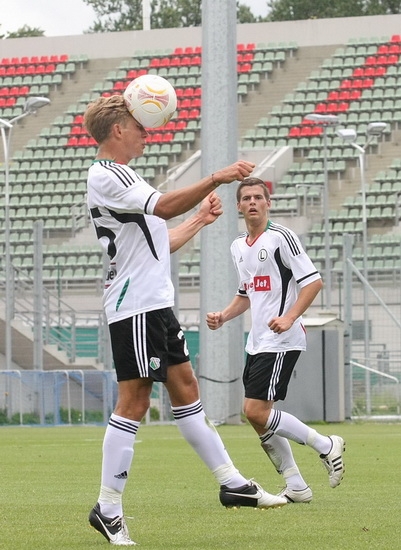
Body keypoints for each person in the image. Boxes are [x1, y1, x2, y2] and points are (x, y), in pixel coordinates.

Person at [83, 97, 287, 546]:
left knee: (187, 389)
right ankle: (108, 507)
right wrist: (216, 176)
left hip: (153, 302)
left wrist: (199, 220)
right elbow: (163, 208)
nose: (147, 132)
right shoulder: (107, 173)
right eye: (139, 126)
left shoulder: (124, 175)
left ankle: (232, 483)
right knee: (134, 402)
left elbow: (157, 241)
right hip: (135, 305)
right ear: (117, 129)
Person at [206, 177, 345, 505]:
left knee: (255, 410)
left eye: (258, 197)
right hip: (257, 341)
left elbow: (313, 282)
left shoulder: (282, 238)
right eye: (246, 198)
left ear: (268, 203)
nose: (252, 202)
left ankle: (326, 445)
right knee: (254, 414)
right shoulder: (238, 246)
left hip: (283, 339)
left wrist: (289, 317)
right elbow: (247, 293)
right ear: (239, 206)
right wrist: (225, 315)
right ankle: (296, 484)